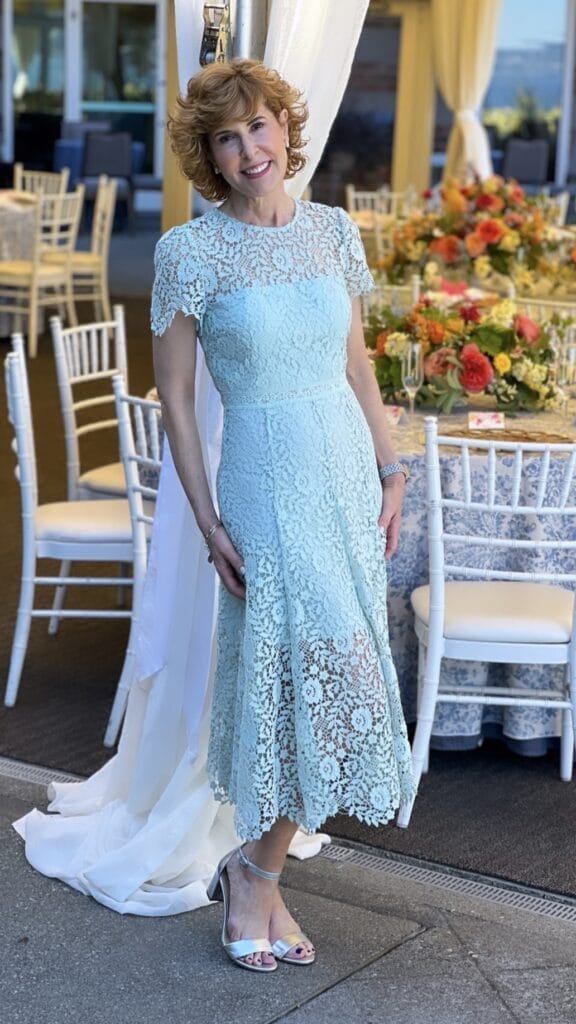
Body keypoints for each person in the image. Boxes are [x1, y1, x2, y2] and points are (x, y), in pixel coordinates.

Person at [151, 58, 415, 974]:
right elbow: (178, 400)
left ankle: (254, 872)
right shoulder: (189, 253)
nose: (249, 148)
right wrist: (205, 515)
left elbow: (356, 364)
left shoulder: (333, 233)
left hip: (342, 473)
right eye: (228, 137)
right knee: (307, 675)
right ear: (209, 154)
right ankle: (257, 874)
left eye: (260, 126)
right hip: (263, 483)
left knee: (332, 690)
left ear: (284, 130)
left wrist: (391, 465)